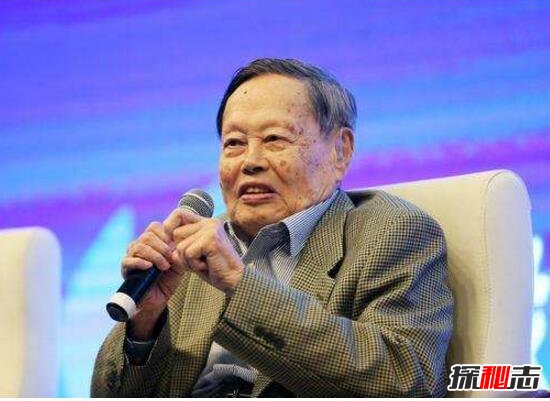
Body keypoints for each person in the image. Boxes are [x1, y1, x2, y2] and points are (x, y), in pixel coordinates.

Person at [91, 58, 454, 397]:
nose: (250, 161)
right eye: (234, 143)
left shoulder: (391, 232)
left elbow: (407, 380)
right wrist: (145, 325)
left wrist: (240, 285)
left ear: (340, 150)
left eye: (274, 139)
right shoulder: (190, 249)